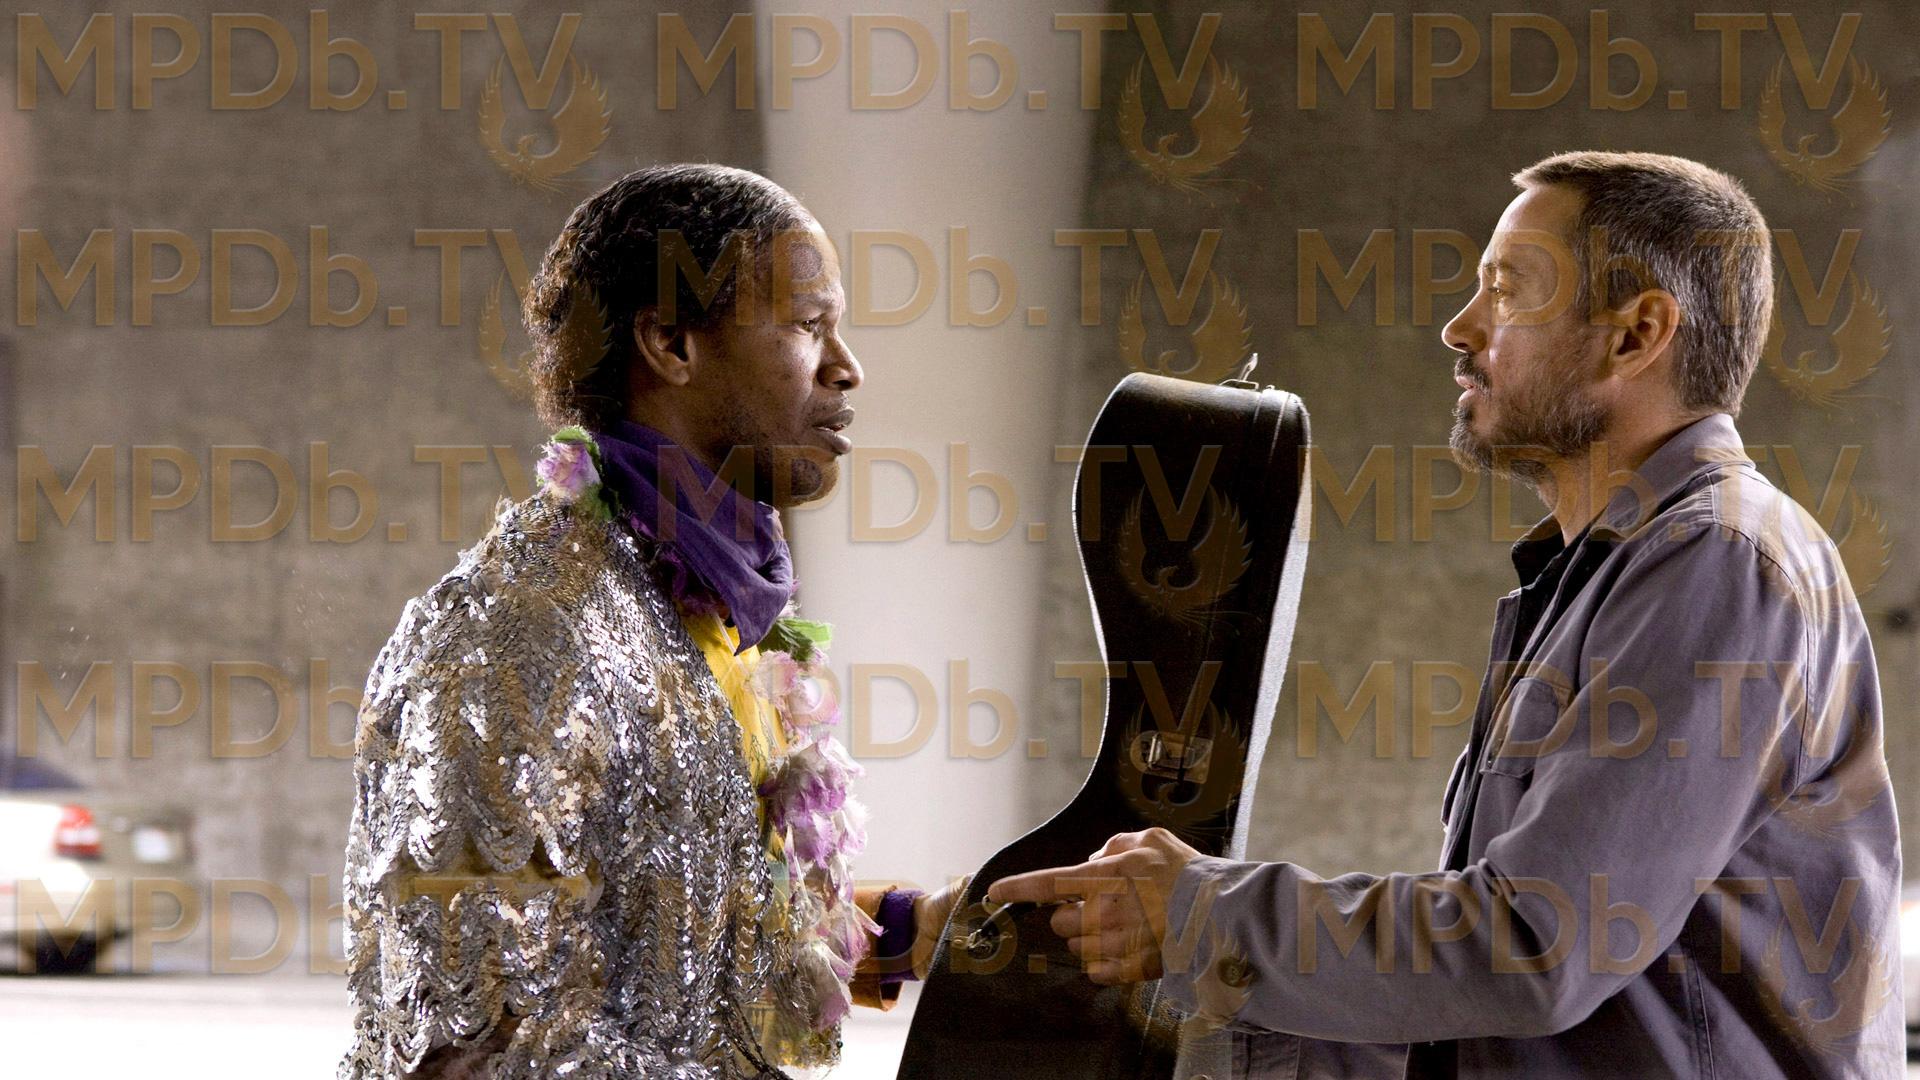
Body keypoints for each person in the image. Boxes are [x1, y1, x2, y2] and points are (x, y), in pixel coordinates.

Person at [991, 151, 1901, 1077]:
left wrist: (1200, 915)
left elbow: (1533, 947)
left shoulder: (1714, 562)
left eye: (1506, 292)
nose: (1459, 328)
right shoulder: (1609, 573)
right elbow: (1491, 1011)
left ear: (1635, 336)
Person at [340, 164, 957, 1079]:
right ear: (671, 342)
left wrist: (922, 930)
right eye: (808, 324)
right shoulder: (520, 634)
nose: (846, 366)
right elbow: (480, 1048)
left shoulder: (710, 610)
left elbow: (696, 948)